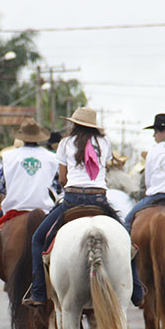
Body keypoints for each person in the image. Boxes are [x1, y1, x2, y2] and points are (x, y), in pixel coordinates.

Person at [21, 106, 145, 308]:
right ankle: (137, 293)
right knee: (127, 244)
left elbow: (62, 178)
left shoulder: (65, 143)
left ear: (74, 124)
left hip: (72, 200)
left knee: (38, 239)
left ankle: (39, 292)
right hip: (99, 201)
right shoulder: (104, 143)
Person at [0, 118, 57, 281]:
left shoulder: (8, 156)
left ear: (22, 137)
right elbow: (58, 187)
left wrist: (16, 188)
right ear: (39, 137)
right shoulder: (51, 158)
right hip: (45, 213)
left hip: (14, 211)